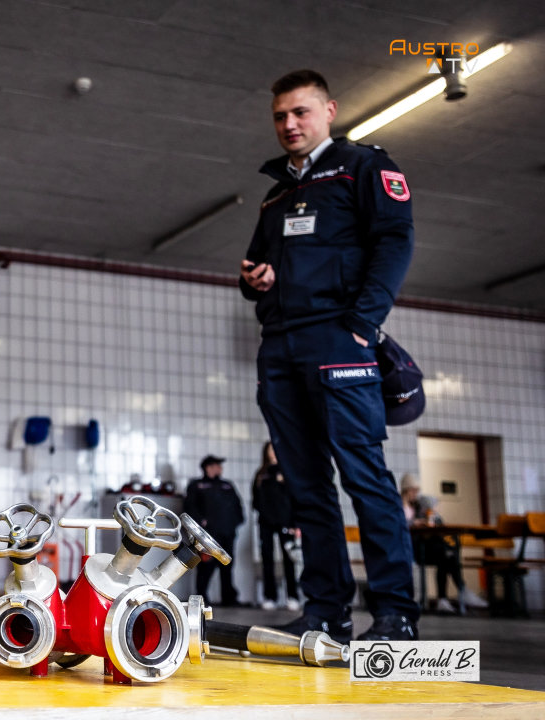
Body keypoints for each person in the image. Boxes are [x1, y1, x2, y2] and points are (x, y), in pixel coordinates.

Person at [239, 69, 419, 642]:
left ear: (329, 110)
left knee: (364, 477)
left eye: (300, 112)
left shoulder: (364, 167)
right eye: (280, 116)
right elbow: (255, 268)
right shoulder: (276, 194)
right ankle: (326, 611)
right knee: (305, 485)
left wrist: (363, 326)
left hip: (340, 340)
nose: (289, 124)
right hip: (281, 347)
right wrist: (256, 280)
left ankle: (395, 613)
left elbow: (396, 240)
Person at [400, 473, 488, 614]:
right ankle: (460, 592)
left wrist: (430, 510)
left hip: (426, 546)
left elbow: (434, 507)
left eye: (417, 490)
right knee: (446, 554)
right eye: (413, 490)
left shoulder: (419, 506)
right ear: (406, 490)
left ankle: (444, 598)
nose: (416, 494)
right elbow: (397, 524)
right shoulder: (398, 506)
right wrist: (413, 523)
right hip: (412, 548)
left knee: (447, 555)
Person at [184, 455, 243, 606]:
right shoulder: (197, 485)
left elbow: (238, 507)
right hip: (208, 535)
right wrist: (202, 525)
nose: (220, 468)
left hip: (227, 533)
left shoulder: (227, 485)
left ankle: (228, 598)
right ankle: (202, 598)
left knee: (227, 565)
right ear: (208, 467)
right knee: (206, 566)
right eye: (217, 465)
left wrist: (234, 523)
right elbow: (190, 507)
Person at [253, 441, 300, 611]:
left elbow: (295, 499)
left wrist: (295, 524)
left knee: (289, 560)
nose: (272, 453)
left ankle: (293, 596)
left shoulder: (287, 472)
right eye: (269, 449)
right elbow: (255, 499)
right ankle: (269, 597)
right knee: (268, 560)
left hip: (286, 523)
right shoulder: (261, 474)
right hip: (265, 523)